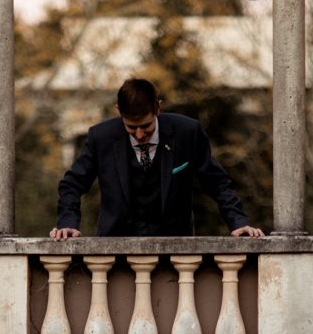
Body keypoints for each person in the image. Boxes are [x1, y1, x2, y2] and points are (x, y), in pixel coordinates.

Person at [50, 78, 264, 240]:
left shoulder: (187, 132)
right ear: (119, 112)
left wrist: (238, 222)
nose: (140, 135)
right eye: (131, 128)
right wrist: (68, 223)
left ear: (158, 108)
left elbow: (217, 183)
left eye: (146, 126)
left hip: (176, 249)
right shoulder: (101, 137)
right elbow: (72, 184)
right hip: (115, 250)